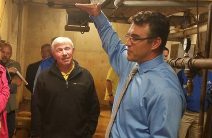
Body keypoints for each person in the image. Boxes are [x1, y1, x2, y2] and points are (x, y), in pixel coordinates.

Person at [76, 4, 185, 138]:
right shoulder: (132, 63)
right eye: (128, 36)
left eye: (135, 38)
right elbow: (114, 46)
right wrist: (97, 15)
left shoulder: (165, 90)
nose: (127, 43)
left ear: (155, 43)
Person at [31, 37, 100, 137]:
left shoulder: (85, 76)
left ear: (73, 50)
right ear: (53, 54)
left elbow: (93, 107)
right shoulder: (44, 78)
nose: (64, 53)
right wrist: (37, 134)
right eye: (59, 50)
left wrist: (88, 132)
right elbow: (36, 109)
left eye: (67, 48)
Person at [177, 68, 212, 138]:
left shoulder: (210, 75)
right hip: (184, 113)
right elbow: (175, 91)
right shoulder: (183, 73)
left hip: (201, 115)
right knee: (178, 136)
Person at [0, 43, 21, 137]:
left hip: (10, 105)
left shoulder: (15, 64)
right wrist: (7, 71)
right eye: (3, 52)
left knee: (10, 131)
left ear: (11, 54)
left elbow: (17, 84)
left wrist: (0, 84)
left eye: (8, 53)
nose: (5, 55)